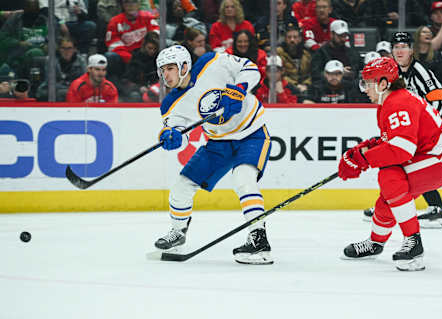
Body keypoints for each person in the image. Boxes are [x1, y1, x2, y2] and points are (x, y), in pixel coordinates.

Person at [340, 57, 442, 271]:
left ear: (383, 83)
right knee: (389, 197)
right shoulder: (389, 102)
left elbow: (401, 150)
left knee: (389, 177)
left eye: (368, 83)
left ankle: (413, 243)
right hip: (432, 152)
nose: (365, 90)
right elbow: (397, 140)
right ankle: (376, 243)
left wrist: (364, 159)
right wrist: (366, 149)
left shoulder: (398, 103)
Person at [153, 45, 273, 264]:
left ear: (184, 66)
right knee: (181, 186)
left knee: (244, 179)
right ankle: (178, 232)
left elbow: (250, 68)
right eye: (162, 70)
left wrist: (239, 89)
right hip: (218, 143)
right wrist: (173, 136)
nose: (165, 75)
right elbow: (180, 129)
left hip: (252, 132)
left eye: (170, 68)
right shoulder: (170, 104)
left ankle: (258, 238)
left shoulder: (211, 62)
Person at [363, 32, 442, 228]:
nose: (399, 50)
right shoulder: (394, 73)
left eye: (404, 46)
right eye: (396, 47)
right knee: (400, 167)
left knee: (406, 166)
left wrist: (424, 129)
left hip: (426, 131)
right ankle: (394, 206)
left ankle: (435, 208)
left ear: (412, 50)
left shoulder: (420, 71)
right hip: (410, 127)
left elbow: (438, 100)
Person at [104, 0, 159, 79]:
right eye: (127, 2)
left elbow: (156, 36)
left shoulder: (148, 17)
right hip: (127, 59)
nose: (130, 5)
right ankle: (118, 82)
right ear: (122, 5)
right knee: (110, 56)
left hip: (147, 54)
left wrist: (146, 52)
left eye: (134, 1)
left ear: (139, 3)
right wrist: (131, 58)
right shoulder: (115, 22)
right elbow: (113, 46)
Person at [36, 36, 87, 101]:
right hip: (55, 89)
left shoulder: (81, 61)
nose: (67, 51)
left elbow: (84, 81)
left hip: (74, 89)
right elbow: (49, 81)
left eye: (69, 48)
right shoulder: (51, 60)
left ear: (74, 49)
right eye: (63, 48)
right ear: (59, 49)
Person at [120, 31, 160, 102]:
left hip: (156, 90)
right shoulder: (136, 58)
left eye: (155, 49)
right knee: (134, 95)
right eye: (150, 48)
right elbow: (127, 81)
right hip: (139, 90)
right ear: (144, 46)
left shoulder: (160, 59)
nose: (152, 51)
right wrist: (139, 88)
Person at [277, 24, 312, 102]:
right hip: (286, 87)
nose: (292, 40)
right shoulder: (278, 53)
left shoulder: (306, 54)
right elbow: (278, 74)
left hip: (305, 87)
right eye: (289, 37)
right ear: (285, 39)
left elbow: (311, 73)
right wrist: (295, 85)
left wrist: (306, 84)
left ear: (300, 39)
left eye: (295, 37)